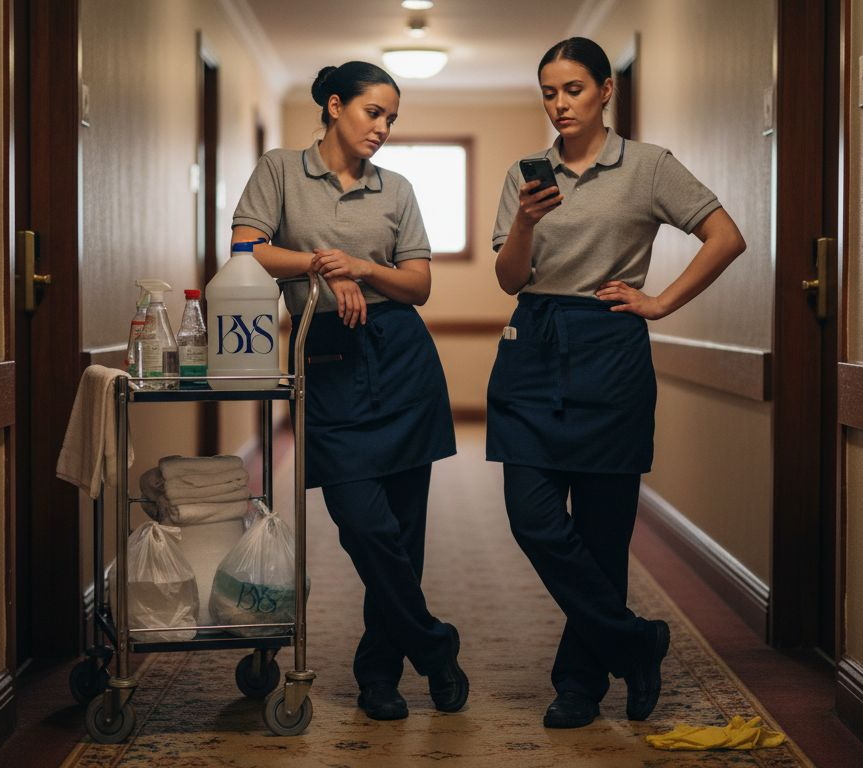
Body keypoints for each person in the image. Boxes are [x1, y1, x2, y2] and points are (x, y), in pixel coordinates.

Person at [488, 37, 747, 729]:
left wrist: (660, 302)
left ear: (606, 90)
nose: (559, 103)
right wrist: (522, 220)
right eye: (548, 91)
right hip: (533, 344)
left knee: (603, 534)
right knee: (533, 517)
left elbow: (726, 237)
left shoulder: (649, 167)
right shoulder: (526, 174)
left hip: (610, 347)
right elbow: (510, 278)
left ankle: (579, 682)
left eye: (573, 89)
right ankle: (636, 640)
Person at [230, 61, 467, 722]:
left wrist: (361, 266)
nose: (384, 128)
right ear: (335, 106)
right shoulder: (280, 170)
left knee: (404, 534)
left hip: (402, 360)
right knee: (364, 526)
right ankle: (436, 646)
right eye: (374, 112)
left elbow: (418, 285)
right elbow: (247, 249)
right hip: (328, 359)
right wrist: (319, 264)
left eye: (392, 117)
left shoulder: (397, 190)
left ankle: (379, 675)